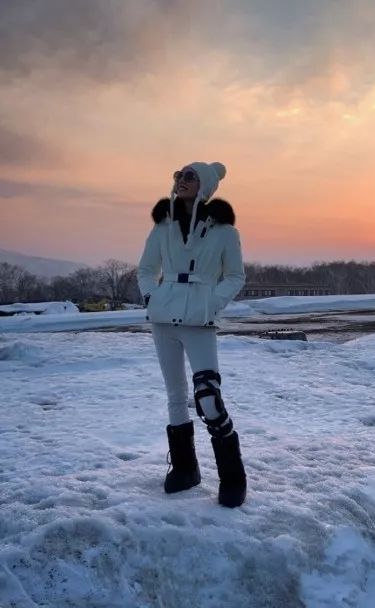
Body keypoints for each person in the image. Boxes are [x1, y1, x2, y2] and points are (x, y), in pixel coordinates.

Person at [137, 161, 247, 508]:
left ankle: (233, 476)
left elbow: (235, 276)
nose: (180, 181)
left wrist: (211, 303)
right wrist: (152, 296)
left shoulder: (225, 231)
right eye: (177, 175)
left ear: (206, 185)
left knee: (208, 397)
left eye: (189, 176)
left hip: (200, 319)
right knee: (174, 394)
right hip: (163, 316)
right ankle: (185, 468)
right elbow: (145, 269)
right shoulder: (163, 226)